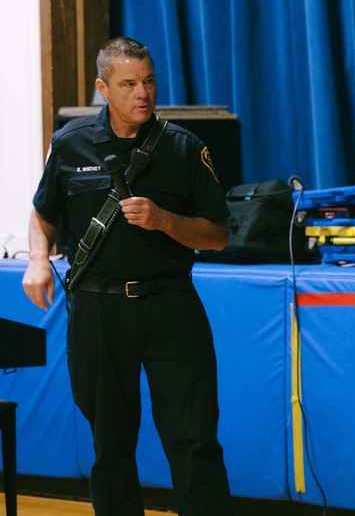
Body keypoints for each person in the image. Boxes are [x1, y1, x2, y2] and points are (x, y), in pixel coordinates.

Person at [22, 37, 234, 516]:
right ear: (103, 88)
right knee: (110, 445)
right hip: (100, 310)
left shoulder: (184, 147)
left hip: (171, 306)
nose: (143, 92)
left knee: (194, 441)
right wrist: (38, 260)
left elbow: (218, 235)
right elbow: (43, 215)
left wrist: (166, 220)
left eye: (149, 81)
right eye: (129, 84)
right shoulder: (70, 142)